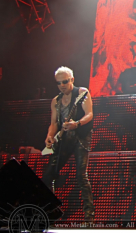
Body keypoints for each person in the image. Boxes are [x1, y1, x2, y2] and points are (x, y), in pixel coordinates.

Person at [42, 66, 95, 222]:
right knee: (49, 175)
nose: (62, 85)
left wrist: (77, 124)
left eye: (65, 81)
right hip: (64, 140)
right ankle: (49, 212)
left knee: (81, 175)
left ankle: (89, 216)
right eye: (59, 83)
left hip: (80, 137)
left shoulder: (82, 93)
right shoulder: (56, 101)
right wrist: (50, 136)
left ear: (72, 79)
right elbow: (53, 123)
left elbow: (89, 114)